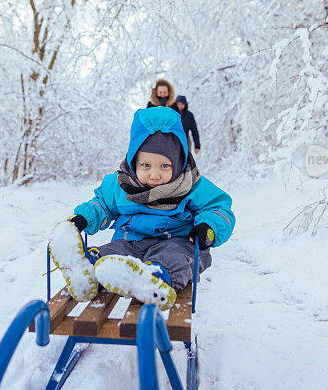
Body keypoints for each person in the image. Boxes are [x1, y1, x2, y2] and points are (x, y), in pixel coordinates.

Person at [47, 107, 235, 310]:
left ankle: (155, 278)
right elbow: (100, 204)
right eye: (146, 165)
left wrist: (208, 227)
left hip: (176, 242)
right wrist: (84, 217)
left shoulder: (191, 185)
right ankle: (88, 269)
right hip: (130, 242)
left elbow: (219, 208)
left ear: (179, 163)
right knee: (112, 257)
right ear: (134, 160)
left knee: (178, 258)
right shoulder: (121, 184)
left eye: (165, 166)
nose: (154, 175)